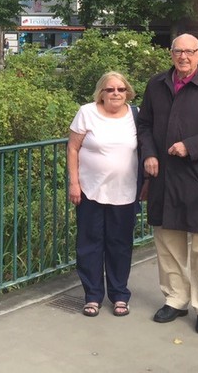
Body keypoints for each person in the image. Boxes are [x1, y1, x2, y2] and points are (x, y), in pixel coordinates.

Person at [136, 34, 198, 334]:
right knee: (167, 243)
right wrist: (149, 154)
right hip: (164, 176)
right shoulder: (156, 85)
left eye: (190, 52)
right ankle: (176, 299)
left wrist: (190, 146)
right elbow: (145, 125)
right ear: (171, 54)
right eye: (178, 51)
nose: (184, 57)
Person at [67, 71, 141, 317]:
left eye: (120, 89)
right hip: (90, 190)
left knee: (120, 245)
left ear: (127, 91)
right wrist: (74, 183)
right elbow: (73, 148)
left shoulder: (135, 115)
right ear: (101, 92)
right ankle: (92, 295)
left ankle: (120, 294)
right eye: (110, 89)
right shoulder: (87, 112)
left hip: (125, 191)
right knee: (89, 244)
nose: (116, 93)